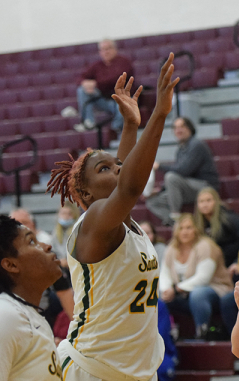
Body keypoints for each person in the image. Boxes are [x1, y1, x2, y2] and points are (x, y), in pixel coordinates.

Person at [46, 55, 179, 380]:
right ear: (87, 195)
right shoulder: (93, 223)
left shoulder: (122, 223)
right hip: (91, 368)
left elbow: (125, 174)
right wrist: (157, 115)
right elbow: (130, 184)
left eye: (118, 164)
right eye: (104, 169)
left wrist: (131, 125)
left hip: (134, 371)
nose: (117, 168)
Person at [0, 215, 65, 380]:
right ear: (11, 265)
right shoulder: (6, 315)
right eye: (32, 242)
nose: (47, 246)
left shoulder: (28, 314)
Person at [158, 213, 234, 339]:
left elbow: (203, 278)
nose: (184, 232)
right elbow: (164, 273)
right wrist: (166, 290)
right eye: (181, 228)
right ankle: (166, 337)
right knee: (160, 298)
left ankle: (202, 333)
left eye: (189, 228)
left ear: (196, 229)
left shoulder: (206, 246)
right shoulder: (171, 248)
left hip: (216, 290)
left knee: (198, 294)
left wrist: (175, 289)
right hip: (183, 293)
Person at [10, 209, 74, 337]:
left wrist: (79, 330)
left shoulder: (44, 256)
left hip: (41, 318)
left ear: (33, 225)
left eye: (24, 222)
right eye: (15, 223)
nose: (20, 227)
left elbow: (65, 292)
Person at [147, 117, 220, 225]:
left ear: (190, 128)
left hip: (205, 186)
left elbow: (183, 171)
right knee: (153, 202)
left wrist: (160, 166)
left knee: (171, 177)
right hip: (188, 188)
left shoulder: (196, 145)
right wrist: (160, 190)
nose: (178, 130)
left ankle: (175, 214)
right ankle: (177, 224)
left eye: (182, 126)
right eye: (175, 128)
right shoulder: (181, 149)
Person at [73, 39, 134, 134]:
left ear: (115, 49)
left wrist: (95, 84)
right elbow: (80, 77)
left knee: (123, 104)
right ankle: (89, 122)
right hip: (105, 100)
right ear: (100, 52)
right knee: (82, 90)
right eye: (103, 49)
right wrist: (85, 83)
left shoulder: (124, 62)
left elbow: (117, 80)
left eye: (108, 48)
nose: (106, 52)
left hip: (122, 99)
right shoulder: (97, 65)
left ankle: (114, 131)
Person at [193, 187, 239, 276]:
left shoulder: (229, 219)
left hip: (232, 266)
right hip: (210, 268)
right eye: (201, 201)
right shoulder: (196, 223)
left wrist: (238, 262)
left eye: (208, 200)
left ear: (216, 201)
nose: (205, 204)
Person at [50, 204, 81, 268]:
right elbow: (53, 250)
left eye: (69, 214)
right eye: (63, 213)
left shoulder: (78, 231)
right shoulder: (55, 232)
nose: (65, 216)